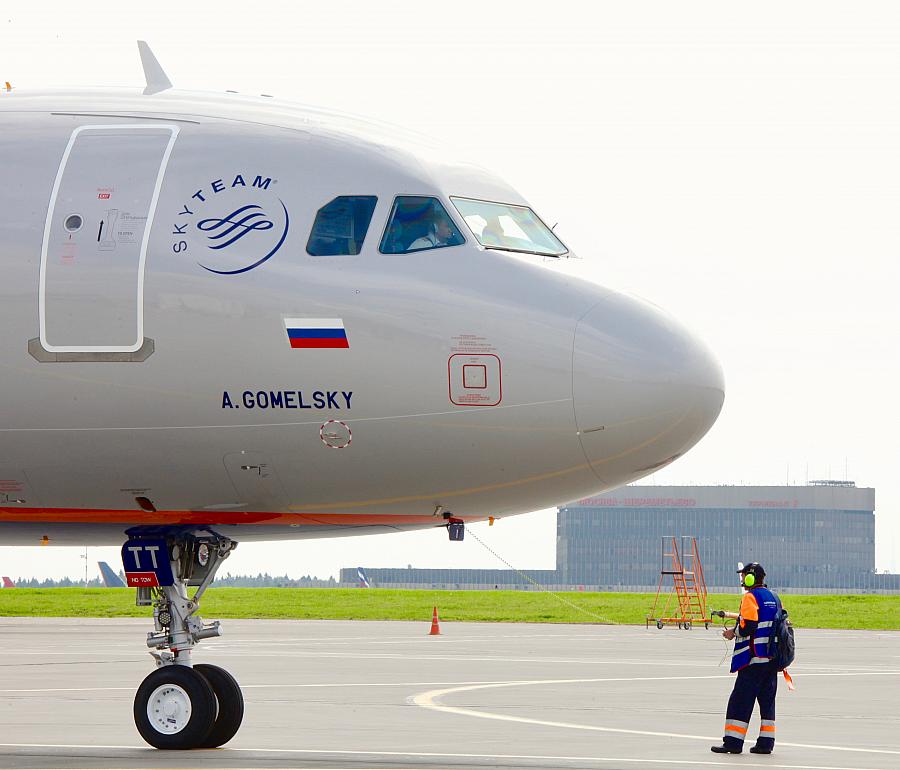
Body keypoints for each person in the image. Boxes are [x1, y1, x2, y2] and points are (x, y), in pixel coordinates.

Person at [711, 562, 780, 755]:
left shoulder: (750, 597)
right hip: (772, 660)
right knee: (767, 703)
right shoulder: (774, 597)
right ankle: (766, 744)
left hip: (753, 660)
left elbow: (748, 626)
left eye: (743, 576)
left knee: (740, 701)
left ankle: (733, 742)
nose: (741, 580)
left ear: (750, 578)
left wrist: (733, 632)